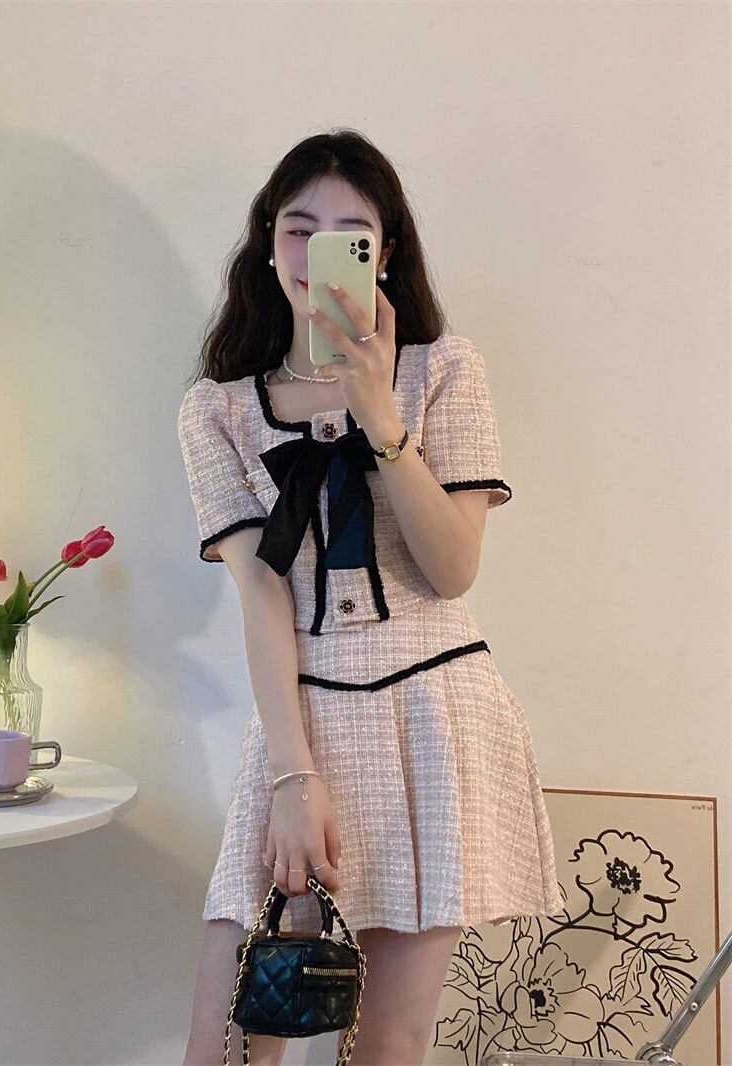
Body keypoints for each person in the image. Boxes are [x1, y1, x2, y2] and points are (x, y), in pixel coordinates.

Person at [177, 129, 563, 1066]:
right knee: (227, 1047)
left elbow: (453, 569)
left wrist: (379, 411)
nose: (320, 253)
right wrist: (291, 777)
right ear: (268, 244)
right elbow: (262, 597)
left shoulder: (444, 371)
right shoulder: (217, 409)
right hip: (303, 722)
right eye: (299, 227)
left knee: (387, 1047)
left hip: (436, 714)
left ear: (384, 254)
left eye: (350, 234)